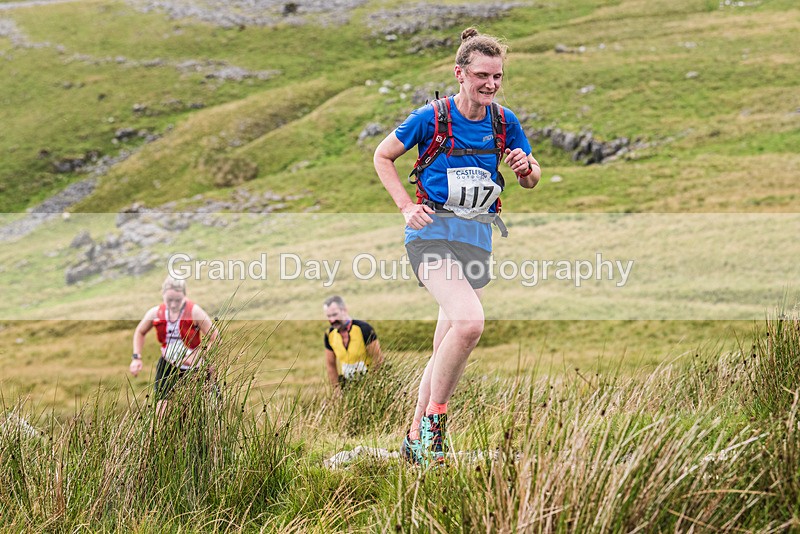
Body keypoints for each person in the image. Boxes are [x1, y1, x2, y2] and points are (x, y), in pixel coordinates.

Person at [373, 27, 540, 466]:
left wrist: (525, 167)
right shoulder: (431, 117)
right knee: (469, 324)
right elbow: (382, 156)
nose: (491, 84)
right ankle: (435, 424)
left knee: (445, 343)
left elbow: (531, 177)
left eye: (497, 76)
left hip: (477, 240)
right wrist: (406, 206)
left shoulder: (504, 121)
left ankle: (414, 439)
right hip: (431, 235)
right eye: (482, 75)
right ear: (460, 73)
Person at [129, 276, 218, 418]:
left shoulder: (195, 312)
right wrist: (136, 357)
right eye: (169, 300)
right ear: (163, 295)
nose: (173, 304)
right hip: (168, 365)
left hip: (195, 369)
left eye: (178, 300)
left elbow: (215, 337)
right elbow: (140, 332)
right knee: (161, 411)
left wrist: (202, 356)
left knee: (200, 414)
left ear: (184, 295)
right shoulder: (155, 313)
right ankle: (158, 432)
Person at [323, 295, 383, 391]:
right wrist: (337, 390)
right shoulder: (329, 334)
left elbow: (378, 360)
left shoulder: (364, 329)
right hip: (349, 387)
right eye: (329, 316)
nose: (332, 320)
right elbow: (331, 364)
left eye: (335, 315)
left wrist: (374, 386)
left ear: (344, 310)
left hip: (370, 385)